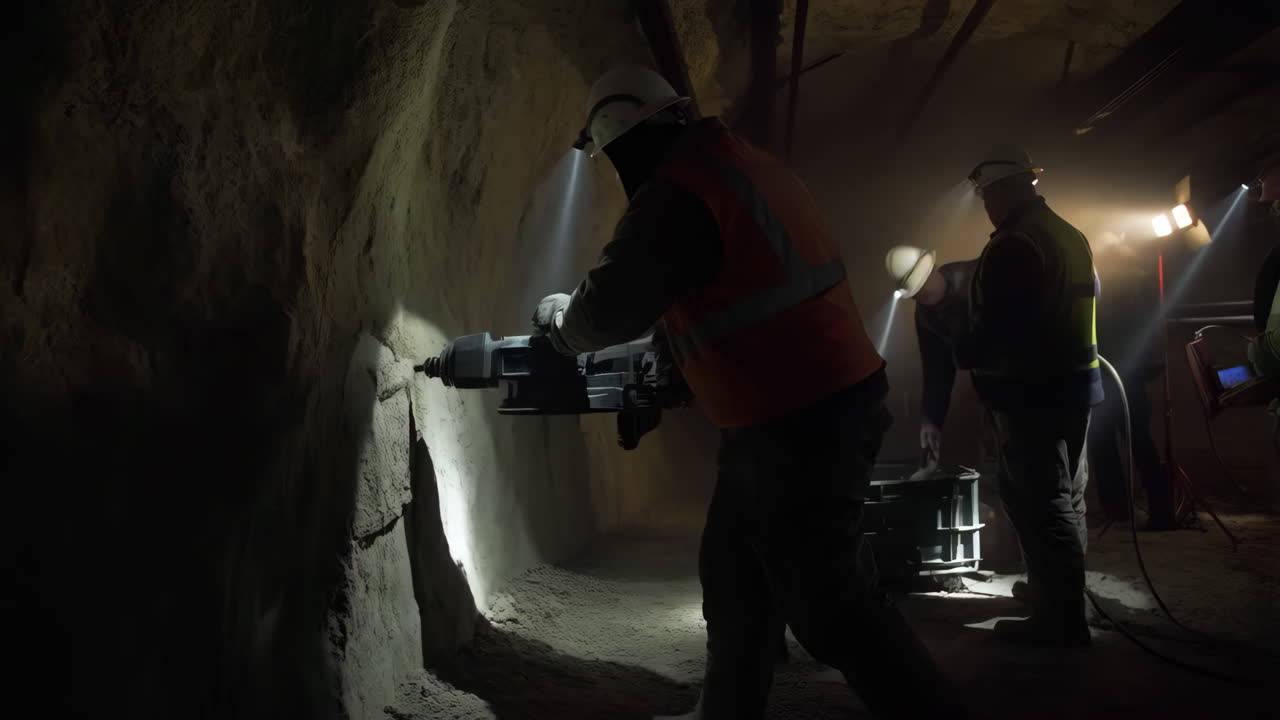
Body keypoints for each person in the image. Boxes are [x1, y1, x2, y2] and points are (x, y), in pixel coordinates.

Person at [532, 65, 964, 720]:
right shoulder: (739, 165)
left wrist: (561, 325)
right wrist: (664, 380)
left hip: (803, 417)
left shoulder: (678, 192)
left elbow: (607, 309)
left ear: (623, 139)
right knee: (734, 577)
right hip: (786, 412)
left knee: (828, 603)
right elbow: (727, 296)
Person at [954, 145, 1103, 648]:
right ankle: (1059, 596)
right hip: (1073, 388)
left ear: (1004, 189)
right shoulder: (1066, 233)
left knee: (1041, 504)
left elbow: (1008, 325)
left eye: (986, 195)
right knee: (1068, 500)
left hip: (1031, 394)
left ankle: (1060, 621)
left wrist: (965, 347)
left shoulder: (1017, 243)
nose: (985, 205)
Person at [1090, 244, 1176, 530]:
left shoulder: (1105, 291)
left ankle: (1117, 509)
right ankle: (1160, 510)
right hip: (1130, 375)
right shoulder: (1138, 288)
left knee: (1104, 445)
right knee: (1140, 442)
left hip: (1107, 374)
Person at [884, 246, 977, 465]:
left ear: (934, 268)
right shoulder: (926, 316)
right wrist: (931, 421)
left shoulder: (978, 277)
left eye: (923, 281)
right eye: (915, 291)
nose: (922, 293)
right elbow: (936, 371)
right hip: (997, 394)